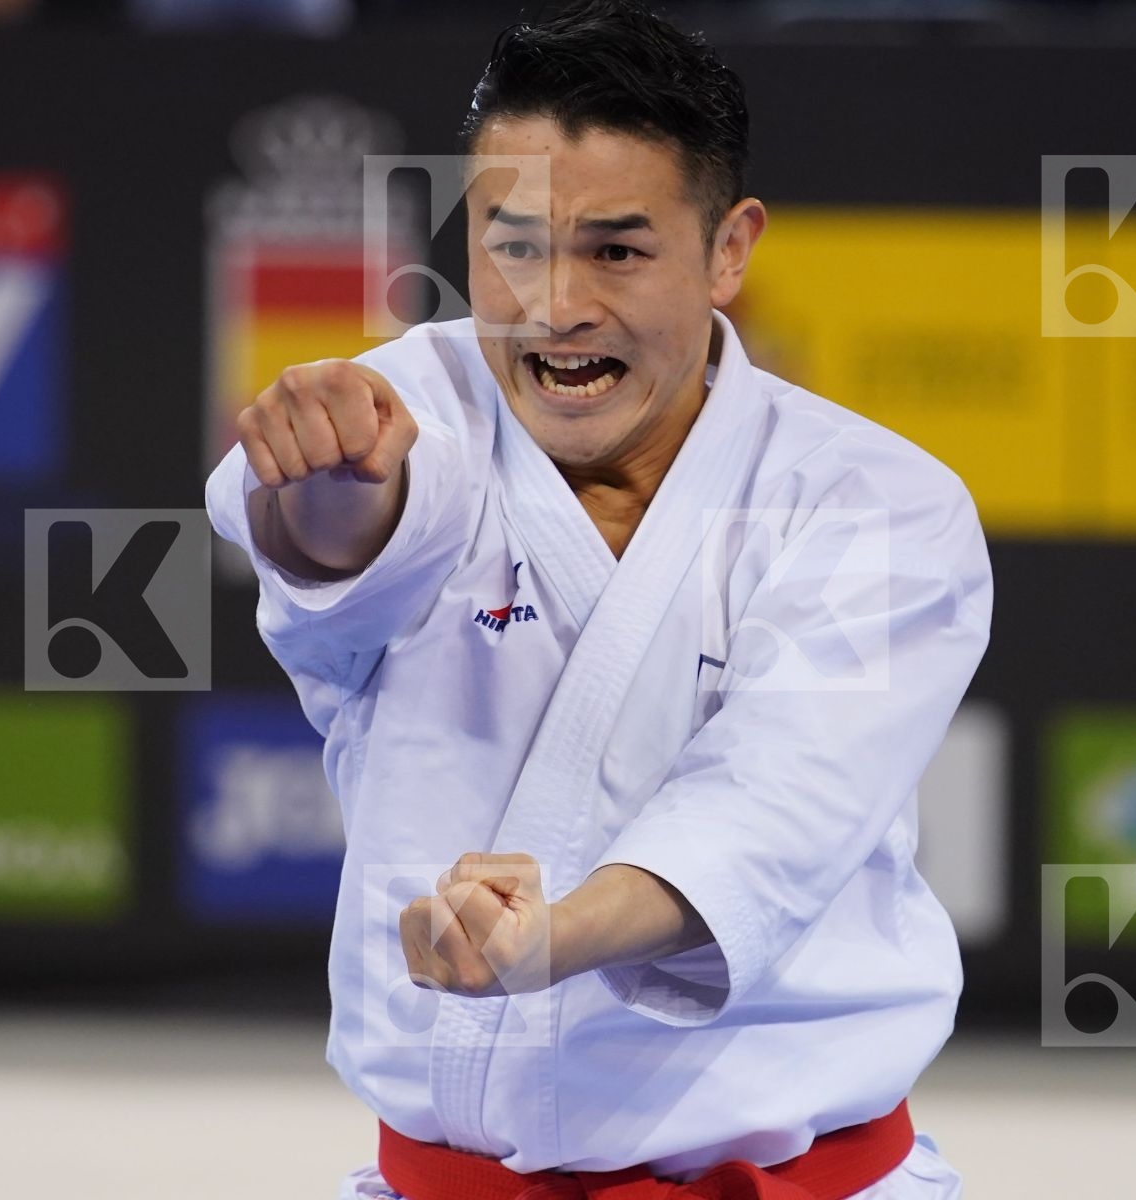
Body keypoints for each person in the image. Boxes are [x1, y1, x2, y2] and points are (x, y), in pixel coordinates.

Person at [204, 1, 991, 1196]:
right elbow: (344, 552)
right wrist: (320, 485)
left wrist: (549, 940)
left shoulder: (874, 504)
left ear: (729, 249)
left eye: (615, 251)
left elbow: (773, 806)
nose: (553, 303)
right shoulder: (420, 410)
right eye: (511, 242)